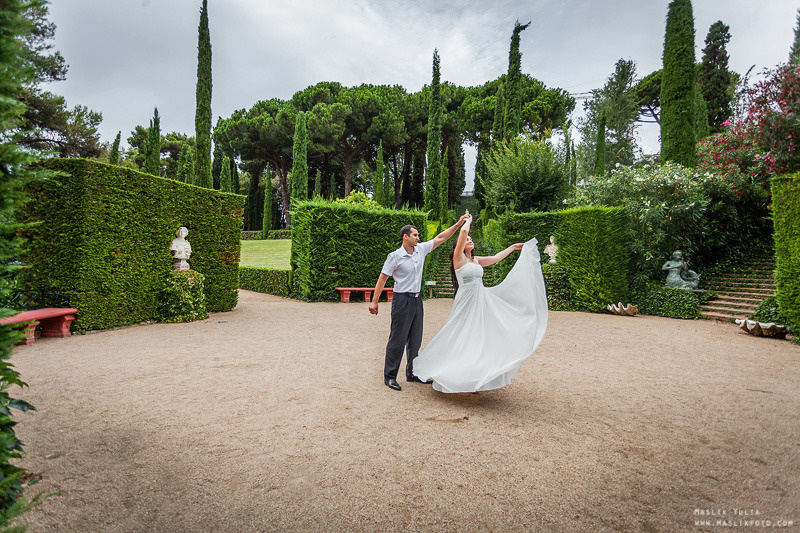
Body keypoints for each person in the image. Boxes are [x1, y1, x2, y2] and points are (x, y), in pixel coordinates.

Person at [413, 213, 548, 394]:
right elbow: (462, 233)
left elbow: (496, 258)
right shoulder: (458, 258)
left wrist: (512, 247)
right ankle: (453, 378)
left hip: (481, 301)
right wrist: (466, 221)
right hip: (466, 301)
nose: (469, 239)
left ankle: (471, 379)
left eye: (471, 239)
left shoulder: (475, 260)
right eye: (467, 239)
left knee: (477, 339)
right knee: (461, 335)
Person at [370, 214, 470, 391]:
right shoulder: (394, 256)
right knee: (397, 339)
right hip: (401, 300)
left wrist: (458, 223)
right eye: (415, 235)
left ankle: (413, 373)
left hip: (417, 301)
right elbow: (382, 278)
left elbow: (441, 237)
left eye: (418, 235)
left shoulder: (421, 250)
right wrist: (374, 302)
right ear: (405, 237)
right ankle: (390, 376)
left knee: (415, 340)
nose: (418, 237)